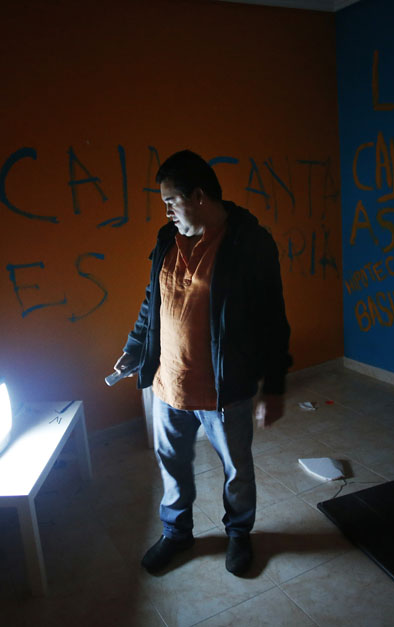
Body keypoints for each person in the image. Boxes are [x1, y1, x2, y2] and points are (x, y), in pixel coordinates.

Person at [111, 149, 291, 576]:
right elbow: (151, 303)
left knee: (237, 471)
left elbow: (273, 319)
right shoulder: (165, 240)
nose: (167, 210)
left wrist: (276, 385)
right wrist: (135, 349)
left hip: (223, 390)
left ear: (198, 196)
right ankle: (177, 534)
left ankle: (238, 534)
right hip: (167, 386)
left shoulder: (249, 243)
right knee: (172, 470)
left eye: (171, 201)